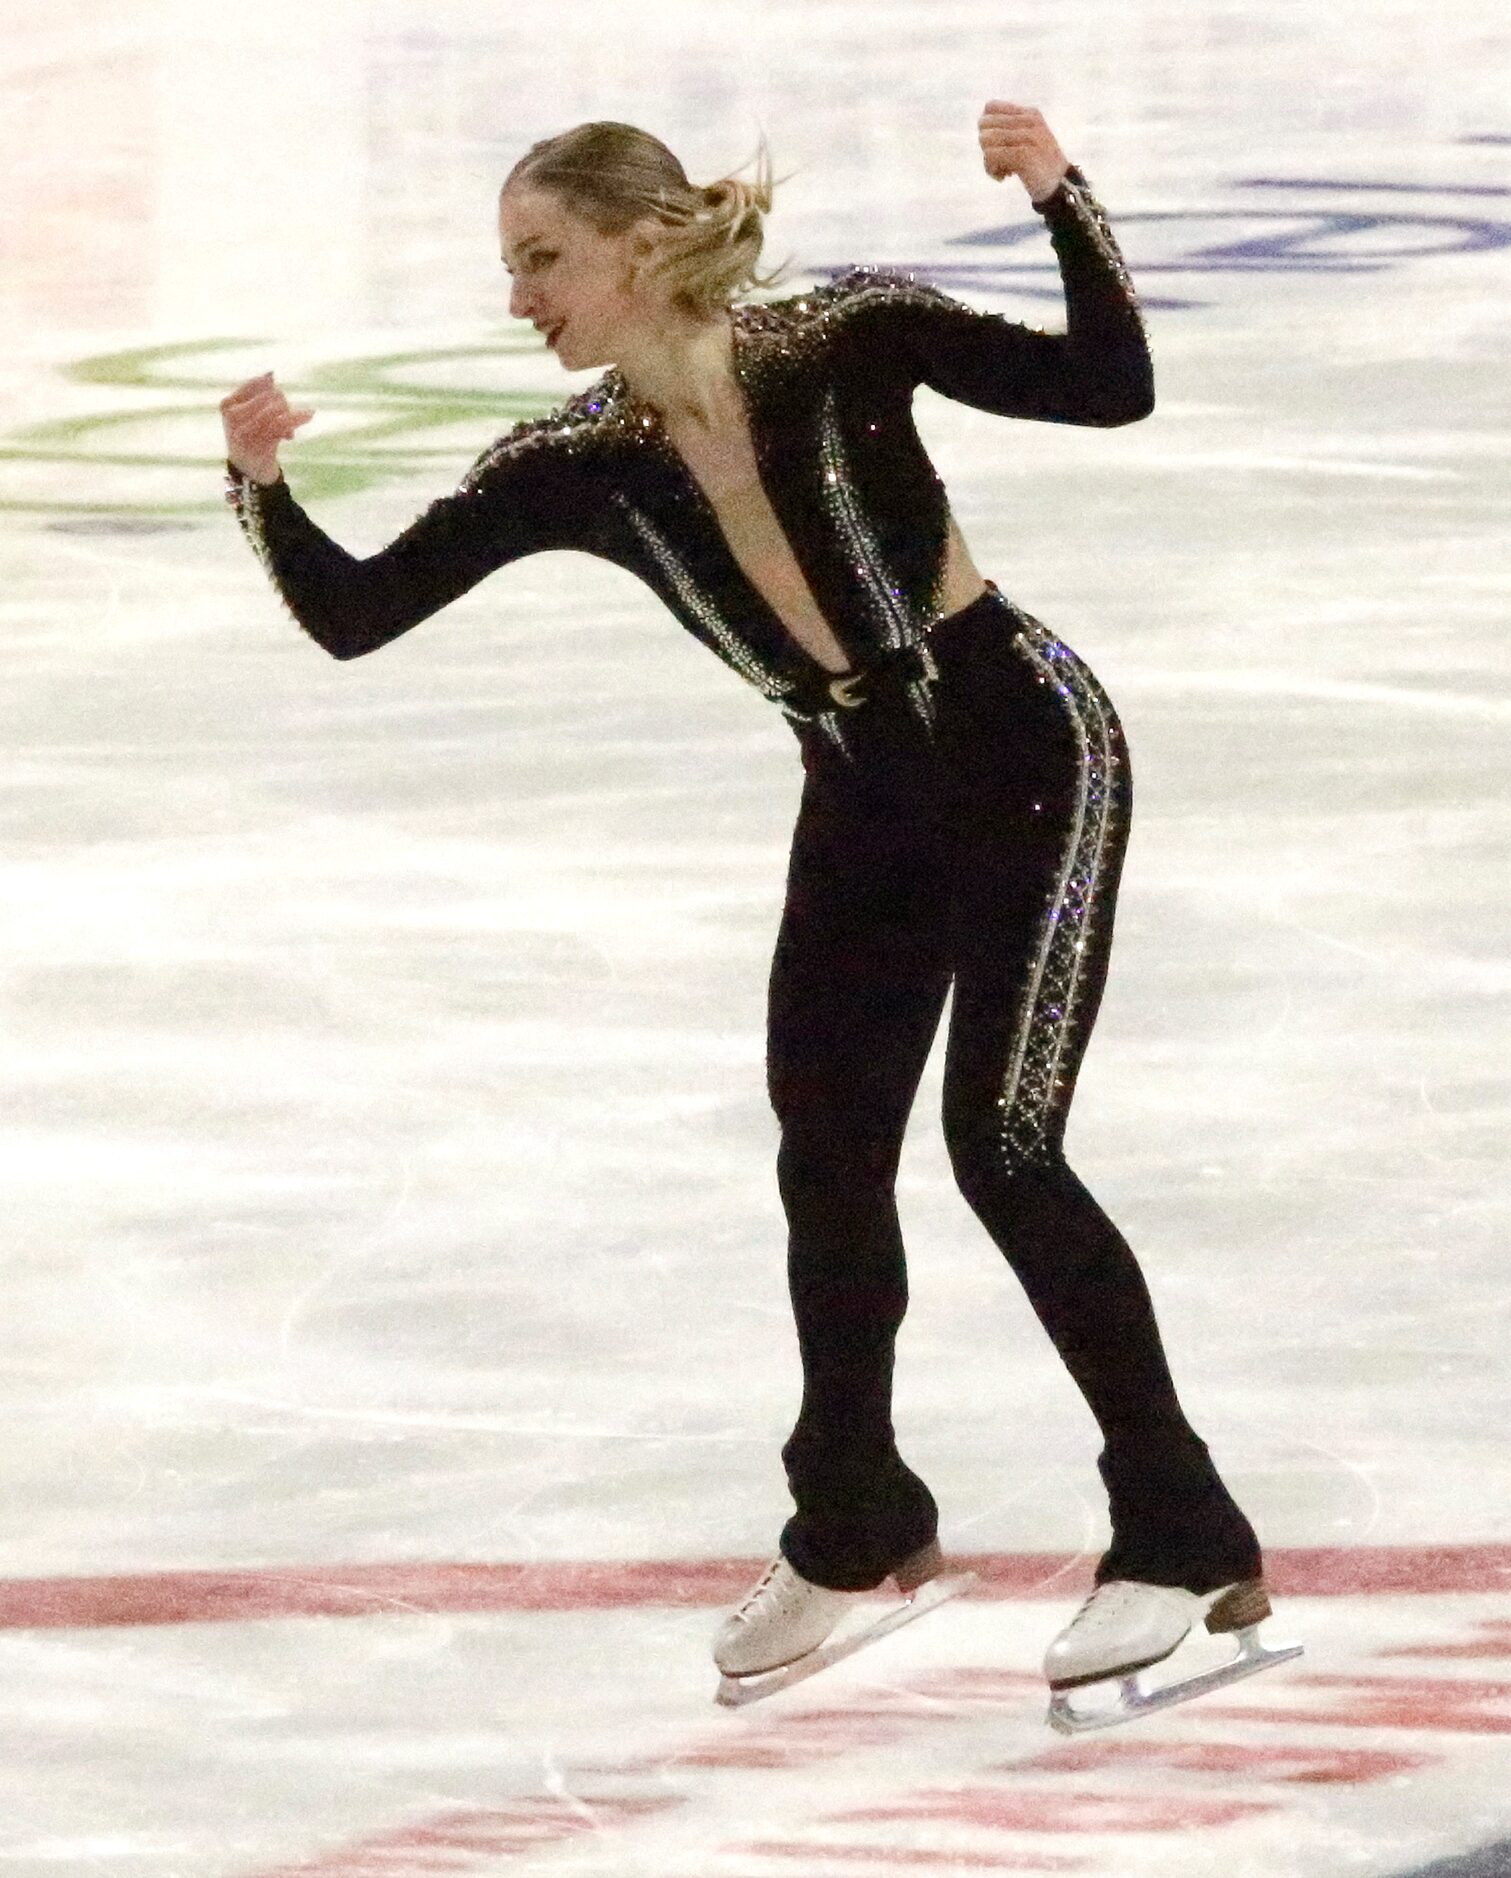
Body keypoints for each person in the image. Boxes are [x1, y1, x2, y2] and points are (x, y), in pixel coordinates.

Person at [220, 101, 1292, 1726]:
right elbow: (360, 614)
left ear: (644, 241)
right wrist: (260, 487)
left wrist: (1065, 199)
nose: (521, 298)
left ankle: (1181, 1521)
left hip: (1019, 745)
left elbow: (1109, 386)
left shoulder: (849, 333)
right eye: (513, 267)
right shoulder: (575, 461)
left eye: (543, 258)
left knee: (1001, 1144)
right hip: (862, 792)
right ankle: (858, 1521)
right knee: (827, 1153)